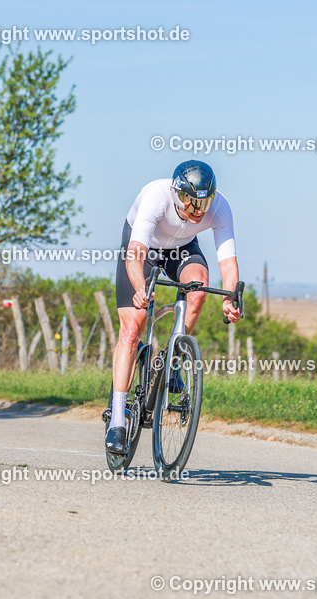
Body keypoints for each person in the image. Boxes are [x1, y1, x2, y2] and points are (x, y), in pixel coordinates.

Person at [105, 160, 241, 454]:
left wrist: (229, 297)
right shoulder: (156, 195)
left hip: (182, 248)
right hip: (144, 249)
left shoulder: (220, 207)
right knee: (132, 328)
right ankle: (117, 419)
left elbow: (228, 263)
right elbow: (135, 254)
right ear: (177, 193)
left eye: (203, 204)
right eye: (190, 203)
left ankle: (172, 359)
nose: (197, 211)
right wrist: (140, 288)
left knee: (199, 288)